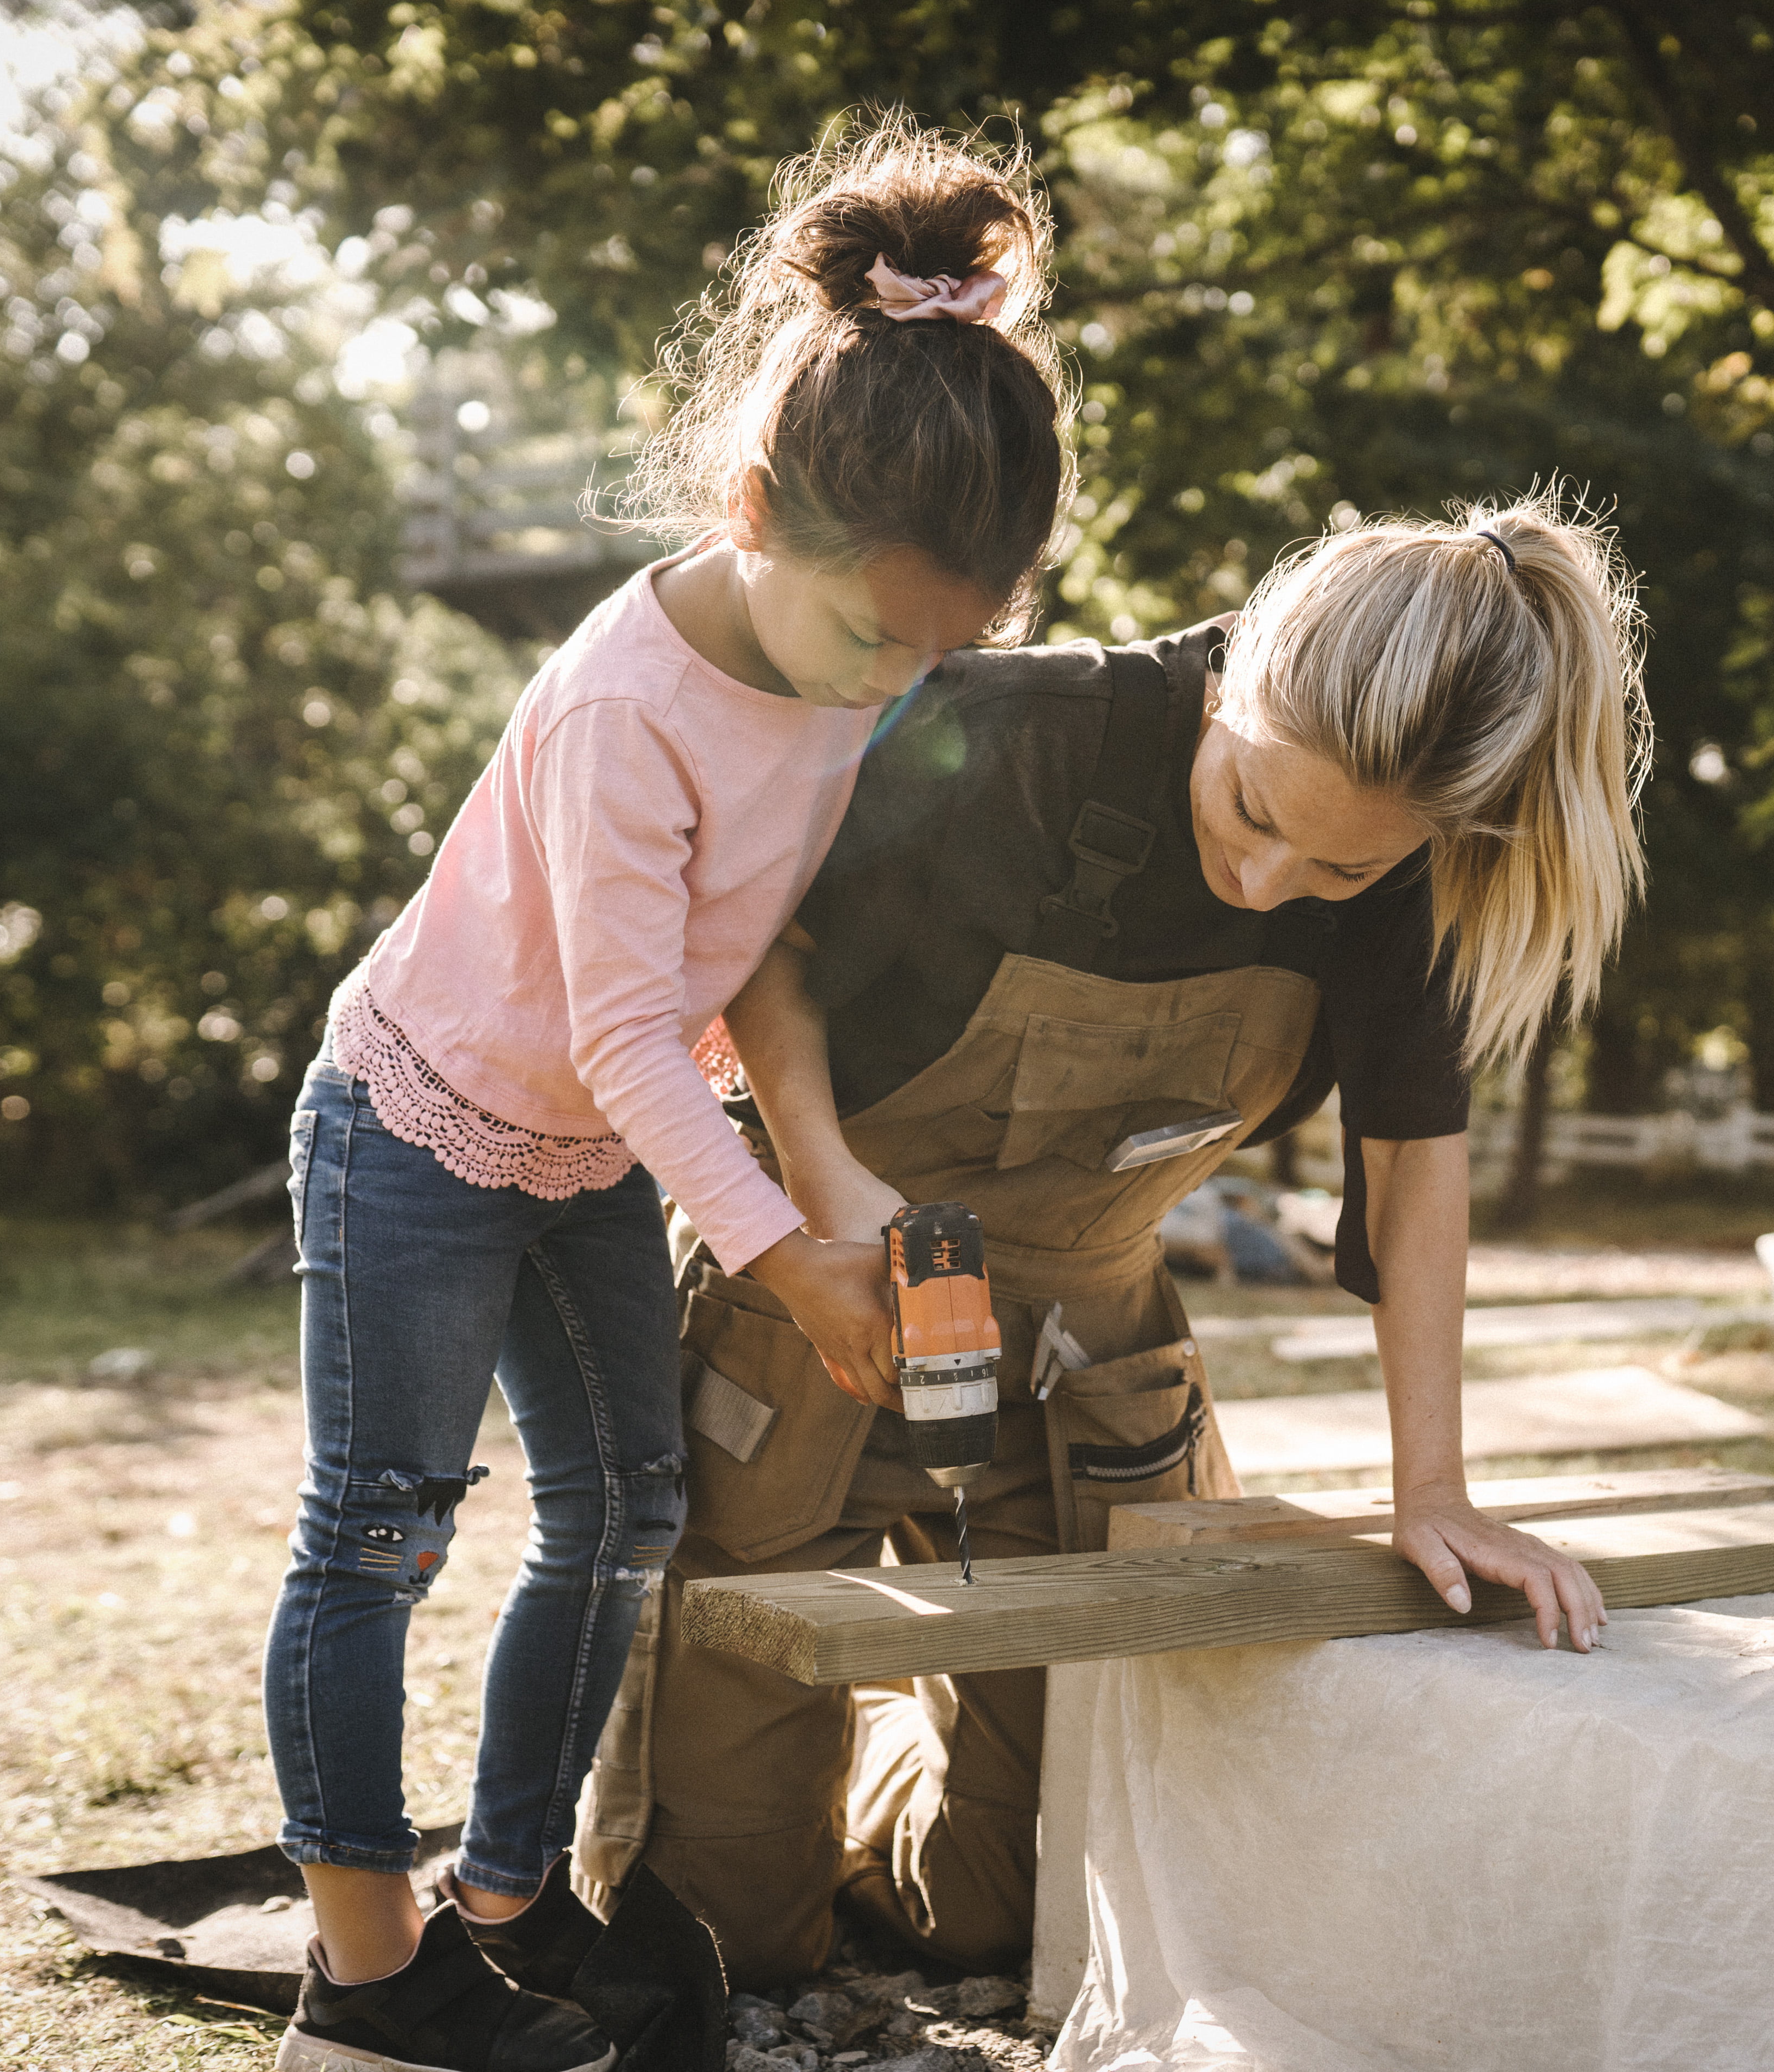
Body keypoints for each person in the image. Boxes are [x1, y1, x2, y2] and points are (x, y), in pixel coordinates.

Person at [575, 487, 1652, 1987]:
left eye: (1337, 872)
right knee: (712, 1933)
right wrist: (819, 1198)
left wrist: (1436, 1489)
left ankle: (890, 1761)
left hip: (1094, 1361)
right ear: (1231, 684)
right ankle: (774, 1805)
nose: (1271, 883)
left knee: (1031, 1907)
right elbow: (774, 952)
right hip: (819, 1304)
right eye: (1253, 814)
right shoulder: (1013, 731)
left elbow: (1415, 1167)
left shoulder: (1414, 868)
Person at [265, 118, 1068, 2072]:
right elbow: (632, 1035)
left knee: (627, 1509)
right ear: (747, 503)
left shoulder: (856, 673)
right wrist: (791, 1264)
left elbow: (762, 967)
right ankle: (362, 1986)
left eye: (948, 643)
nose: (902, 678)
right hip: (424, 1127)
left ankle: (513, 1901)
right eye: (883, 632)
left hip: (600, 1148)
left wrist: (832, 1178)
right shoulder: (632, 705)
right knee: (381, 1524)